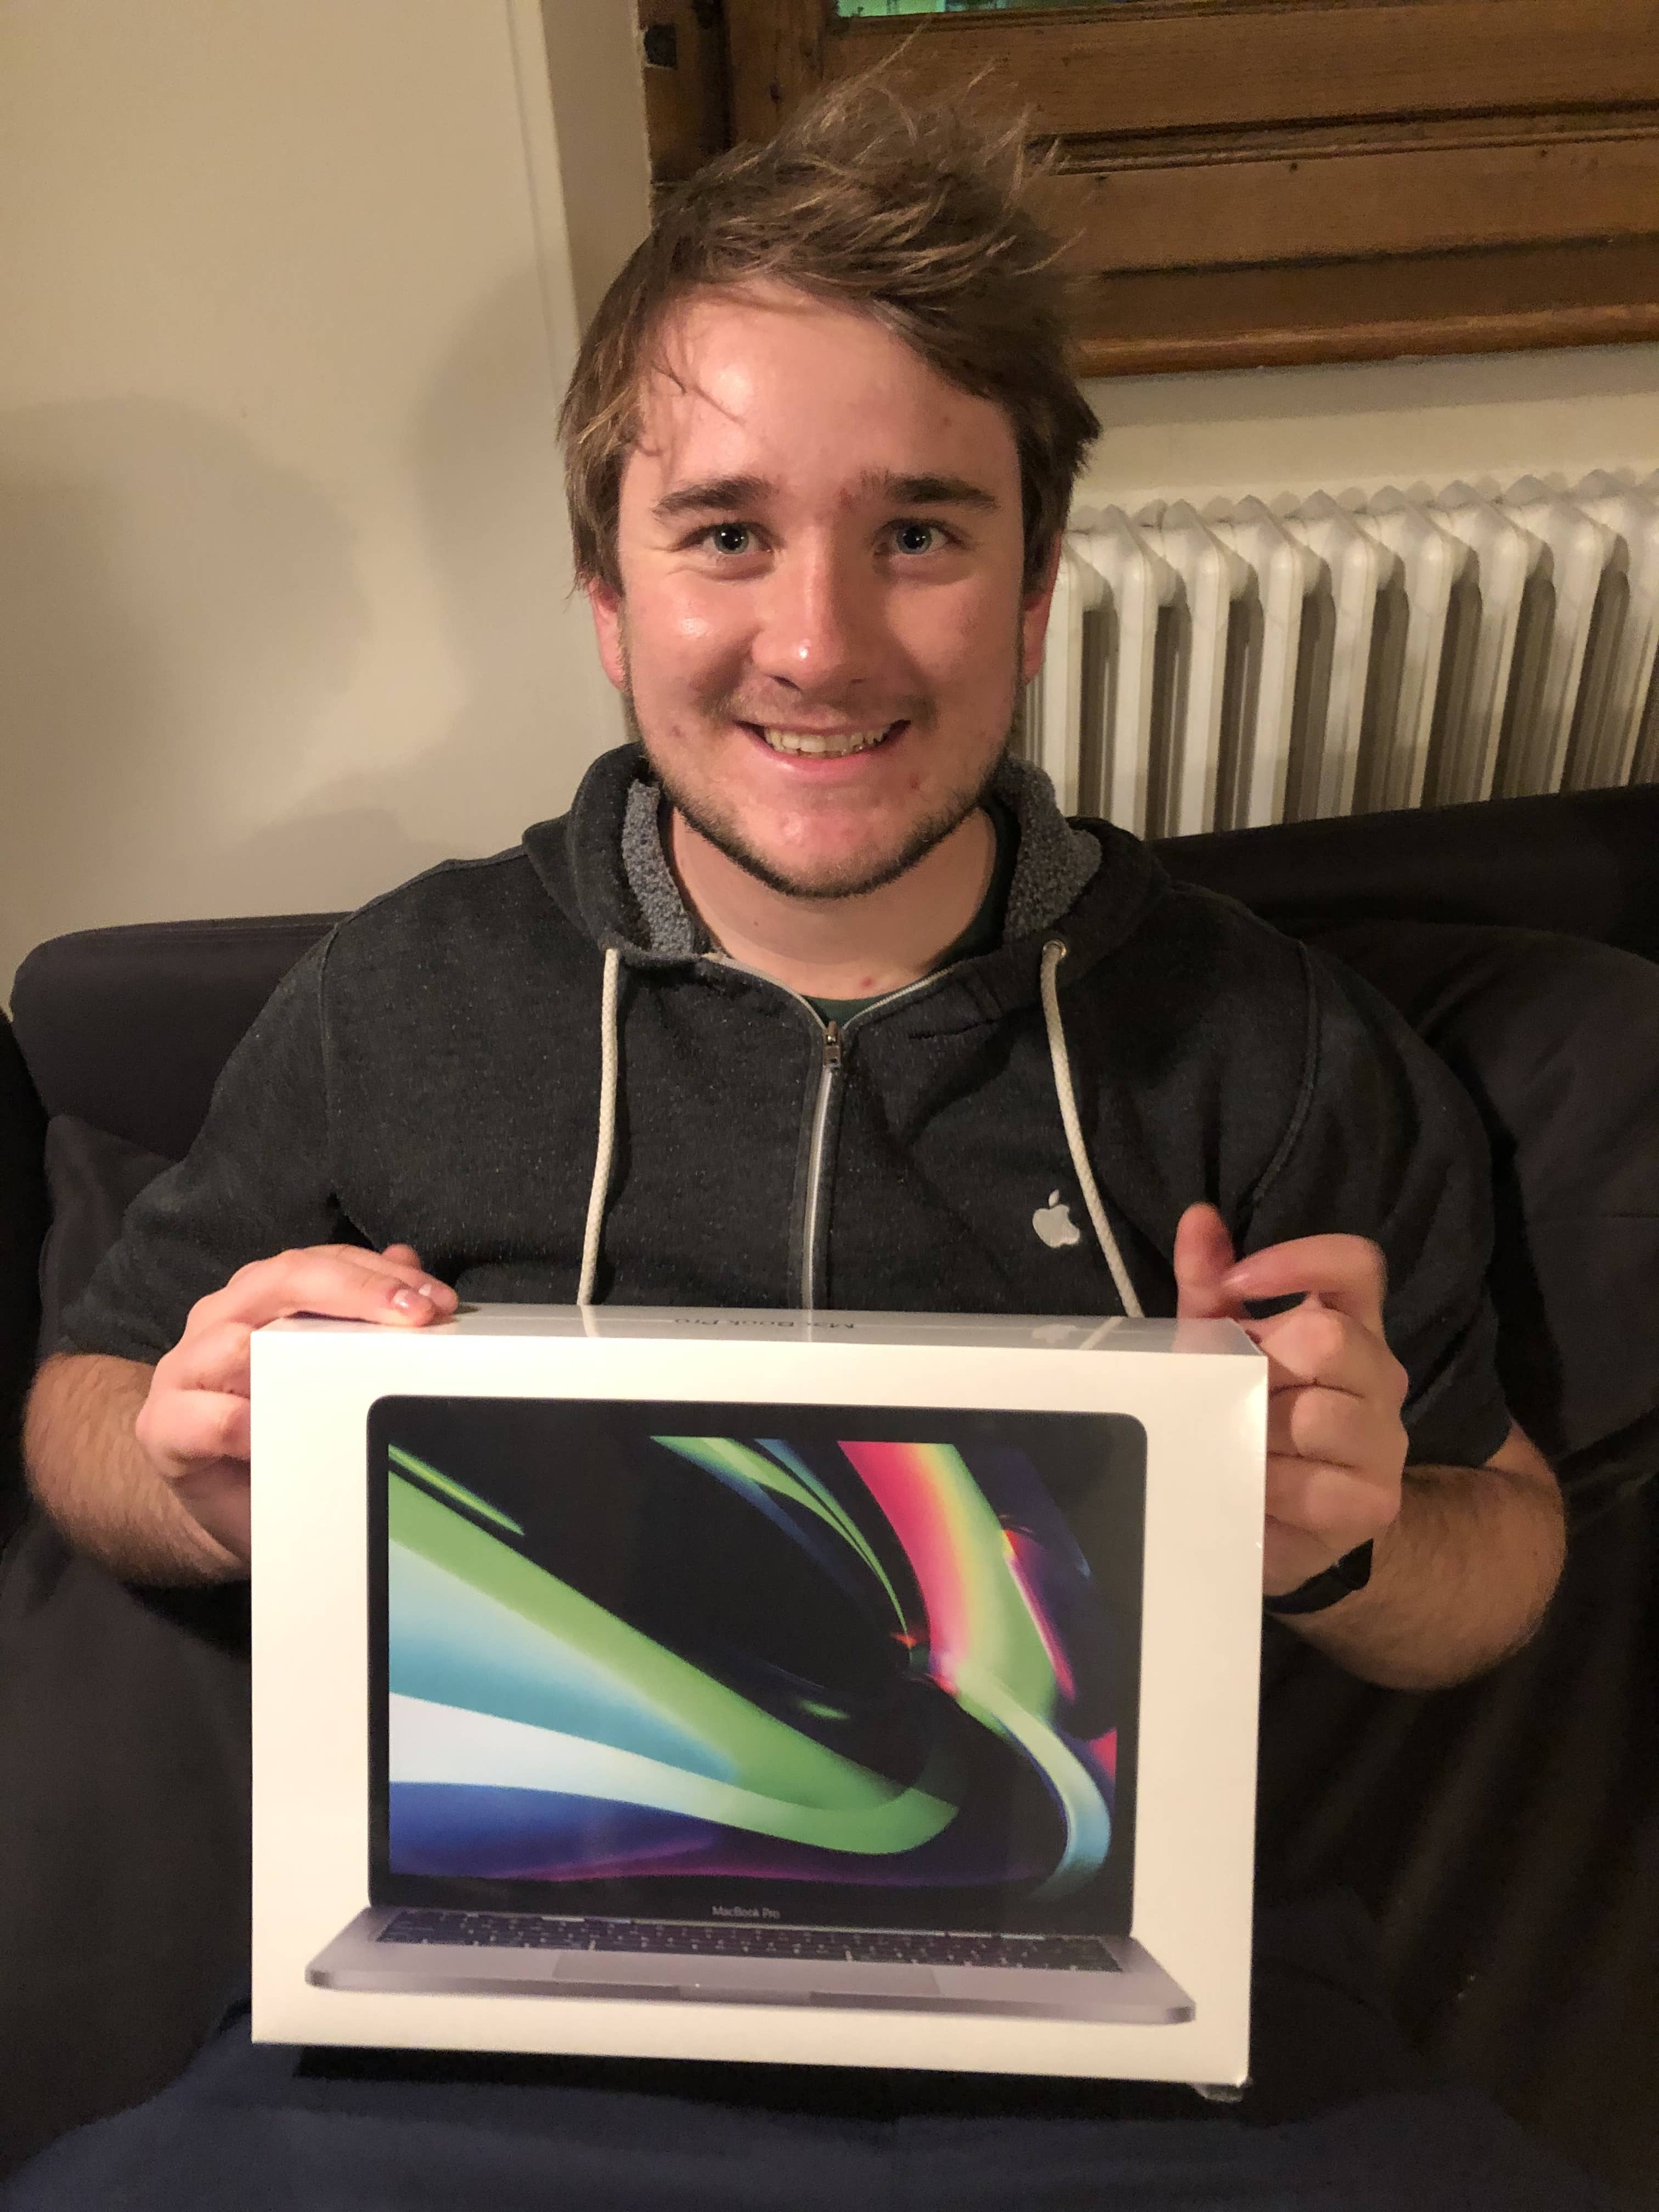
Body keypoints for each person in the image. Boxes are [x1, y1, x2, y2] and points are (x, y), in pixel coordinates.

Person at [13, 76, 1600, 2212]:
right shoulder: (399, 997)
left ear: (1032, 588)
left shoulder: (1271, 1042)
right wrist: (198, 1470)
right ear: (608, 594)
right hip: (457, 2044)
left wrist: (1347, 1536)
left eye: (920, 532)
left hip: (1149, 2065)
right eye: (727, 532)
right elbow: (85, 1411)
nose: (821, 644)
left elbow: (1504, 1548)